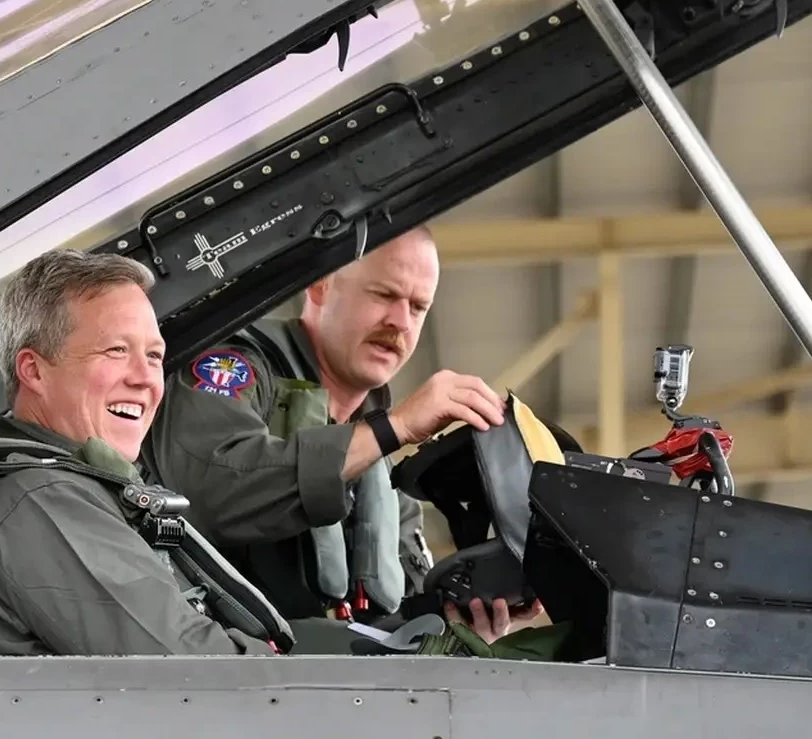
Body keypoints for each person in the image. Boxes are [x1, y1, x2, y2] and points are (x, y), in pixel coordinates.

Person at [0, 247, 538, 657]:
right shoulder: (41, 502)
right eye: (116, 352)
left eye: (153, 355)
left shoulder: (90, 494)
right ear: (34, 370)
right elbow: (192, 676)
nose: (145, 379)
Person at [146, 227, 544, 639]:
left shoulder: (383, 469)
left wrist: (459, 627)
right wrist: (393, 428)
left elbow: (391, 624)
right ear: (320, 285)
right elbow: (215, 491)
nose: (400, 322)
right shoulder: (235, 366)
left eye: (418, 307)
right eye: (384, 294)